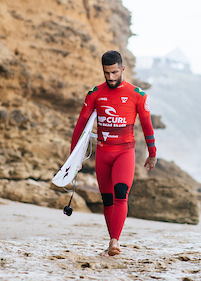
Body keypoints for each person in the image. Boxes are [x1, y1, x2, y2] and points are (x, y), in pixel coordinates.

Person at [70, 50, 157, 256]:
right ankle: (113, 240)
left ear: (122, 69)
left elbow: (147, 126)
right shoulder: (94, 94)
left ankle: (114, 241)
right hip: (102, 153)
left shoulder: (138, 95)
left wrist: (152, 153)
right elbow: (80, 127)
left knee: (120, 194)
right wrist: (74, 158)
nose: (110, 77)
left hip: (124, 153)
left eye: (115, 73)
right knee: (107, 200)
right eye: (106, 73)